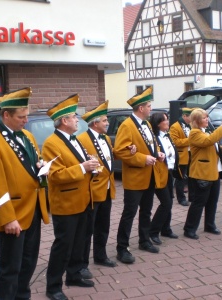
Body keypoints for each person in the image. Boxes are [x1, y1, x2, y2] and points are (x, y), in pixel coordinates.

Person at [0, 87, 50, 299]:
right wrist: (7, 218)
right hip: (14, 214)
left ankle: (22, 296)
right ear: (6, 115)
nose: (26, 121)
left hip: (33, 208)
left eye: (27, 116)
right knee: (10, 268)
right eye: (21, 117)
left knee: (29, 263)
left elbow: (30, 166)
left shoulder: (26, 135)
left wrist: (41, 167)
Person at [42, 94, 100, 300]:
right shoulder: (51, 144)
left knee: (79, 242)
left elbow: (79, 166)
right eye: (74, 117)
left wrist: (91, 166)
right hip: (66, 203)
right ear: (64, 121)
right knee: (63, 246)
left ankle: (74, 275)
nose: (78, 120)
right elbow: (55, 176)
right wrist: (82, 167)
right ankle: (53, 286)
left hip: (84, 200)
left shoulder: (74, 139)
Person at [114, 87, 165, 264]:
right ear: (141, 108)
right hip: (135, 178)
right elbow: (120, 151)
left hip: (149, 175)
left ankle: (144, 240)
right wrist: (144, 158)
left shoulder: (148, 124)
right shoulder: (127, 125)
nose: (151, 109)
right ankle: (122, 248)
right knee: (130, 213)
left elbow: (151, 145)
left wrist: (158, 152)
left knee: (146, 210)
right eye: (149, 106)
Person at [77, 100, 118, 274]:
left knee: (104, 225)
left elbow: (108, 158)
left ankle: (100, 256)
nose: (107, 123)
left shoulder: (107, 138)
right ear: (95, 123)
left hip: (107, 187)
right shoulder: (82, 139)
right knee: (87, 229)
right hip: (92, 190)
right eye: (104, 121)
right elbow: (85, 164)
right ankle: (82, 264)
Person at [183, 108, 222, 240]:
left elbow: (210, 143)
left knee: (212, 201)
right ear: (197, 121)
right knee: (199, 202)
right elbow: (207, 141)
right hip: (202, 173)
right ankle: (189, 228)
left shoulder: (204, 131)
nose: (207, 120)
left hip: (213, 171)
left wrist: (220, 148)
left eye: (206, 117)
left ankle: (209, 224)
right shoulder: (194, 133)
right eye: (204, 118)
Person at [149, 112, 181, 245]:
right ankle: (153, 231)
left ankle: (165, 228)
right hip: (159, 174)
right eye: (165, 120)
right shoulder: (154, 138)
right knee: (166, 202)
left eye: (168, 119)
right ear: (158, 124)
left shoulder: (167, 136)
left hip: (169, 172)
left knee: (170, 201)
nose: (168, 122)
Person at [169, 107, 192, 206]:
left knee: (191, 177)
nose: (192, 119)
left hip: (191, 155)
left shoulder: (190, 125)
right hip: (182, 156)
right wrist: (190, 140)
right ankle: (181, 198)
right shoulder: (175, 126)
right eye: (191, 117)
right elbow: (175, 142)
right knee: (181, 178)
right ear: (184, 116)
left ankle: (192, 196)